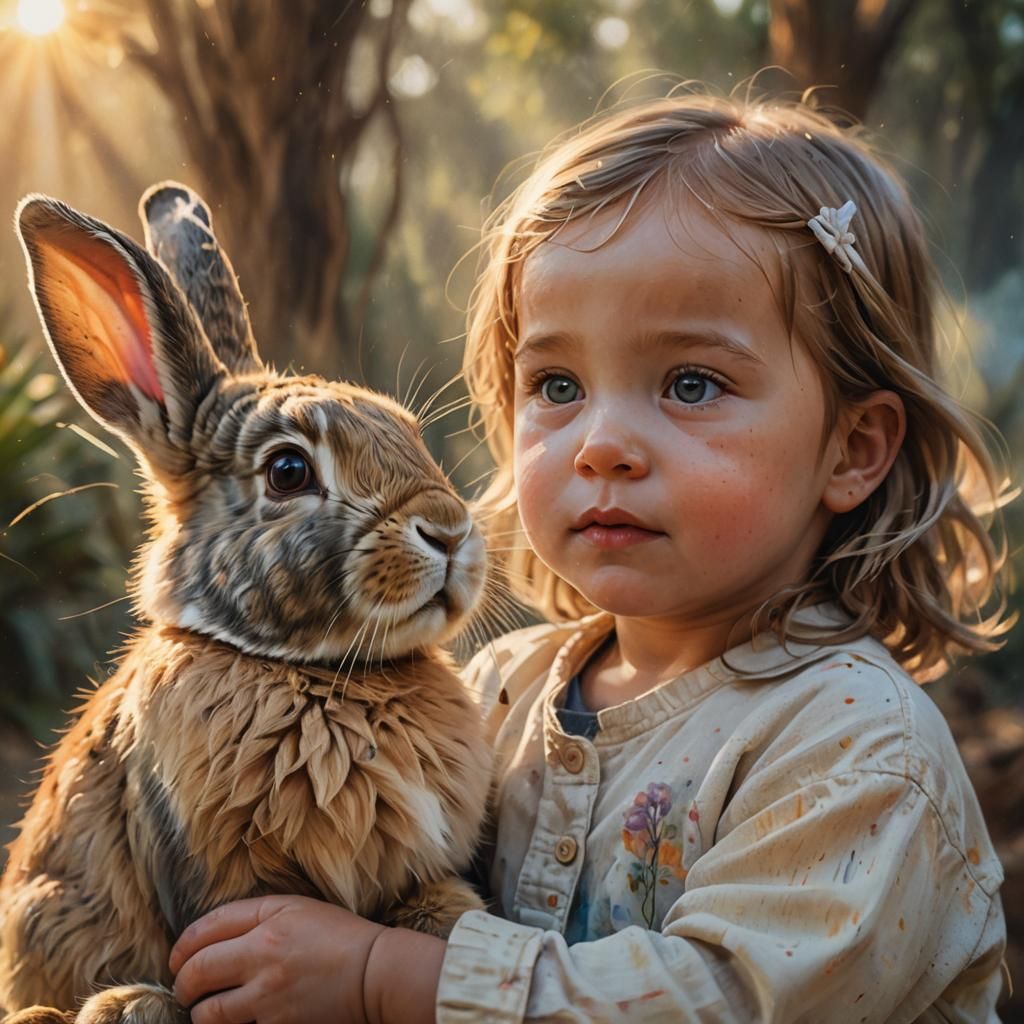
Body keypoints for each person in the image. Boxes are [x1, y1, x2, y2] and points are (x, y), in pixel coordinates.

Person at [169, 90, 1014, 1023]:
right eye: (558, 384)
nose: (600, 443)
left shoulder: (855, 746)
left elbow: (724, 1001)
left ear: (853, 448)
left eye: (692, 383)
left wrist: (383, 979)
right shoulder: (494, 692)